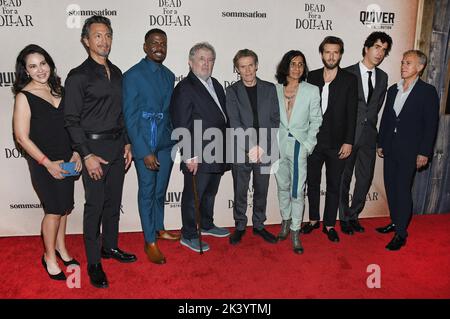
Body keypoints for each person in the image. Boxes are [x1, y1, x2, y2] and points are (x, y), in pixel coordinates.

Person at [64, 15, 136, 289]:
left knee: (112, 203)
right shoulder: (78, 76)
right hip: (93, 149)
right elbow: (70, 119)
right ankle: (94, 262)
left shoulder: (116, 72)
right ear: (86, 41)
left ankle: (110, 247)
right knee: (94, 206)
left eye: (107, 35)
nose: (104, 40)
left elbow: (121, 114)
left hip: (117, 146)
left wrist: (127, 142)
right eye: (97, 35)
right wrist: (86, 154)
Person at [12, 44, 82, 281]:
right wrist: (47, 163)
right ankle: (49, 256)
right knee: (53, 209)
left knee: (64, 208)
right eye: (33, 66)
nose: (40, 69)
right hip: (43, 162)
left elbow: (72, 125)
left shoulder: (60, 90)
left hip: (67, 157)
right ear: (26, 71)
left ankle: (61, 248)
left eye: (43, 63)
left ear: (50, 64)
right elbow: (22, 137)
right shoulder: (24, 96)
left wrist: (77, 152)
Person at [122, 28, 180, 265]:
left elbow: (169, 112)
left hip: (165, 143)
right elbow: (130, 117)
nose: (159, 47)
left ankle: (159, 228)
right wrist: (144, 151)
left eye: (163, 43)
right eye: (155, 43)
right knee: (147, 191)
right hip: (145, 142)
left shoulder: (169, 75)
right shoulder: (132, 75)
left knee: (160, 190)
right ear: (145, 47)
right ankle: (149, 241)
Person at [170, 42, 230, 253]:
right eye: (201, 59)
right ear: (190, 61)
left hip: (218, 149)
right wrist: (188, 154)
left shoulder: (216, 84)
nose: (206, 63)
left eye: (210, 59)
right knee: (193, 196)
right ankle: (188, 234)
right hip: (198, 153)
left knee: (210, 192)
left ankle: (206, 223)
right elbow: (180, 122)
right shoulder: (185, 88)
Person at [376, 50, 439, 251]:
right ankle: (395, 222)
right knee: (391, 187)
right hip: (391, 147)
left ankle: (401, 233)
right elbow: (386, 119)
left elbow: (431, 125)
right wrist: (381, 142)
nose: (403, 66)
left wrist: (424, 152)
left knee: (402, 190)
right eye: (403, 62)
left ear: (420, 67)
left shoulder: (427, 91)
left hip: (411, 151)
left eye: (408, 63)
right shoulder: (393, 90)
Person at [302, 36, 358, 243]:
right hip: (314, 142)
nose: (331, 56)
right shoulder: (311, 77)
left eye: (335, 52)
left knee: (334, 184)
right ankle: (314, 219)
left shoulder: (350, 79)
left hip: (338, 144)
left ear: (341, 54)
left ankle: (328, 224)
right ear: (322, 53)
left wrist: (348, 141)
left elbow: (353, 113)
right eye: (327, 52)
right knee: (313, 182)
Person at [339, 32, 392, 235]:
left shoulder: (383, 77)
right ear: (366, 48)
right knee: (344, 177)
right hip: (348, 137)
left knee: (364, 178)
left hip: (369, 137)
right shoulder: (346, 74)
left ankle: (354, 215)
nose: (380, 53)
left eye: (384, 50)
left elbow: (375, 108)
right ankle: (343, 218)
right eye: (377, 47)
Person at [225, 49, 280, 245]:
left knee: (261, 189)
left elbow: (275, 120)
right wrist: (250, 147)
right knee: (240, 190)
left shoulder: (270, 89)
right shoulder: (231, 91)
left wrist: (262, 147)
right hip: (241, 149)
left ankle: (258, 225)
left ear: (256, 65)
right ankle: (240, 225)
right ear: (237, 69)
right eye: (242, 66)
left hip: (264, 149)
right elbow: (234, 122)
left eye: (250, 65)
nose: (247, 70)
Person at [274, 50, 322, 254]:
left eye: (301, 64)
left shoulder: (311, 90)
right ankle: (285, 220)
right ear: (286, 66)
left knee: (296, 190)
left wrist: (308, 144)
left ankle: (295, 230)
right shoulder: (274, 89)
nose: (297, 68)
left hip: (298, 145)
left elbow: (316, 119)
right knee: (282, 186)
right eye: (293, 63)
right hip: (278, 146)